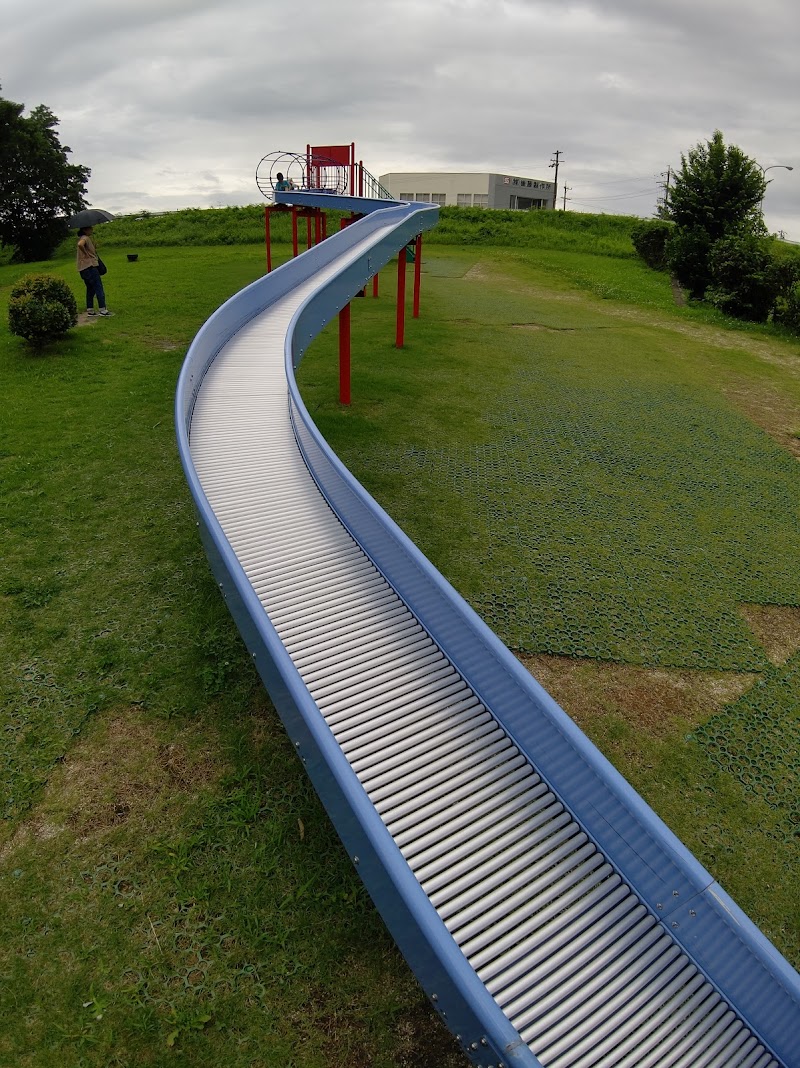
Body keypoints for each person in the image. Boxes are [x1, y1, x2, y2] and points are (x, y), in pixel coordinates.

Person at [76, 226, 112, 316]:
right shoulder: (85, 238)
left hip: (83, 268)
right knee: (98, 287)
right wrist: (86, 253)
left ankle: (90, 310)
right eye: (90, 229)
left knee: (90, 289)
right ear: (85, 230)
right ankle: (103, 309)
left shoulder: (84, 238)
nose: (92, 230)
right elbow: (80, 244)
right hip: (90, 267)